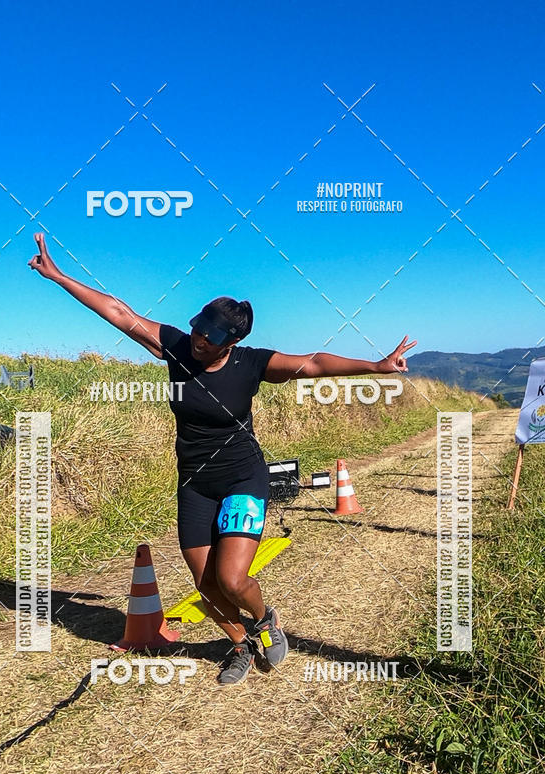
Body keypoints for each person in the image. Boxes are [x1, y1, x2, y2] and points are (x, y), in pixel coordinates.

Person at [28, 233, 416, 684]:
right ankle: (240, 646)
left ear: (230, 342)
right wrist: (57, 277)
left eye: (208, 339)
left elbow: (311, 364)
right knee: (206, 587)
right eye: (196, 329)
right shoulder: (177, 347)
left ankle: (265, 618)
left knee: (231, 579)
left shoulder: (252, 364)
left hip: (242, 478)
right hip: (195, 483)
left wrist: (375, 366)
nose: (197, 341)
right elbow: (119, 312)